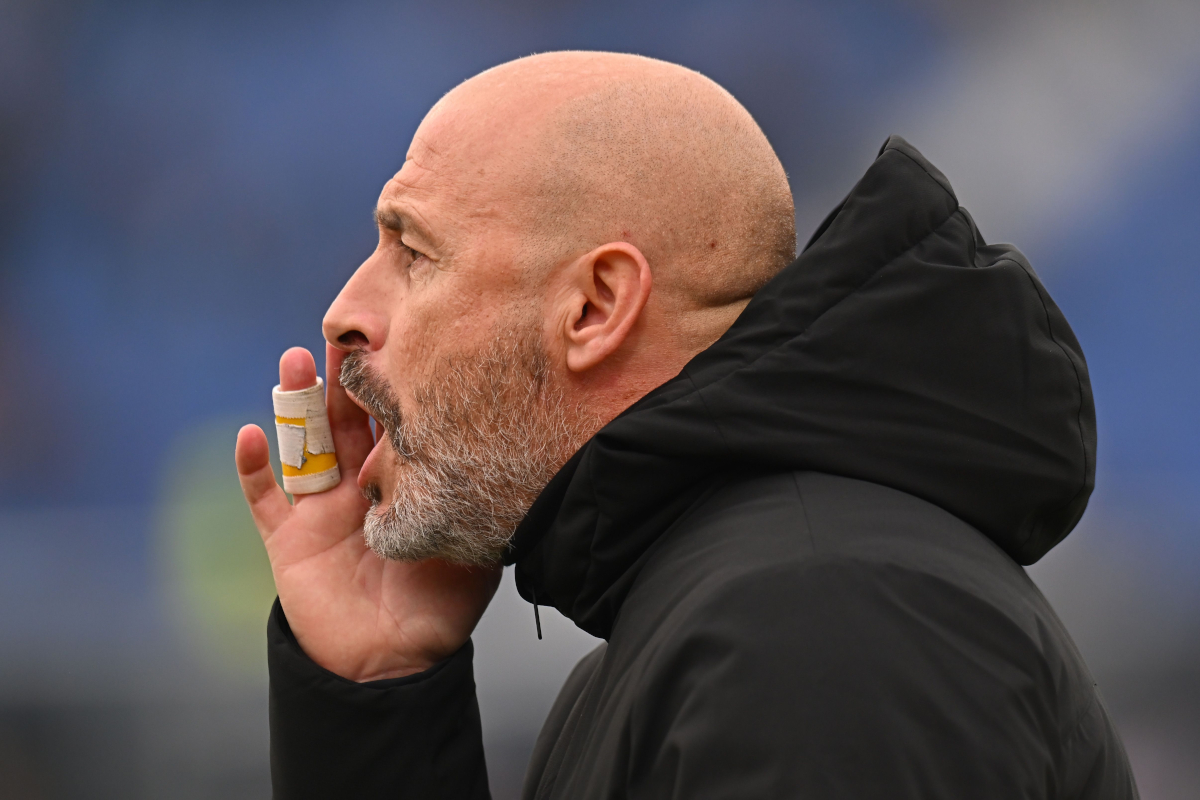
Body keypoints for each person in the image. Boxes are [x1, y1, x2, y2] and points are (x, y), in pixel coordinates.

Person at [234, 51, 1139, 799]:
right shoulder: (740, 612)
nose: (344, 311)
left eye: (413, 251)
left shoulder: (809, 621)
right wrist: (378, 696)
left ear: (595, 306)